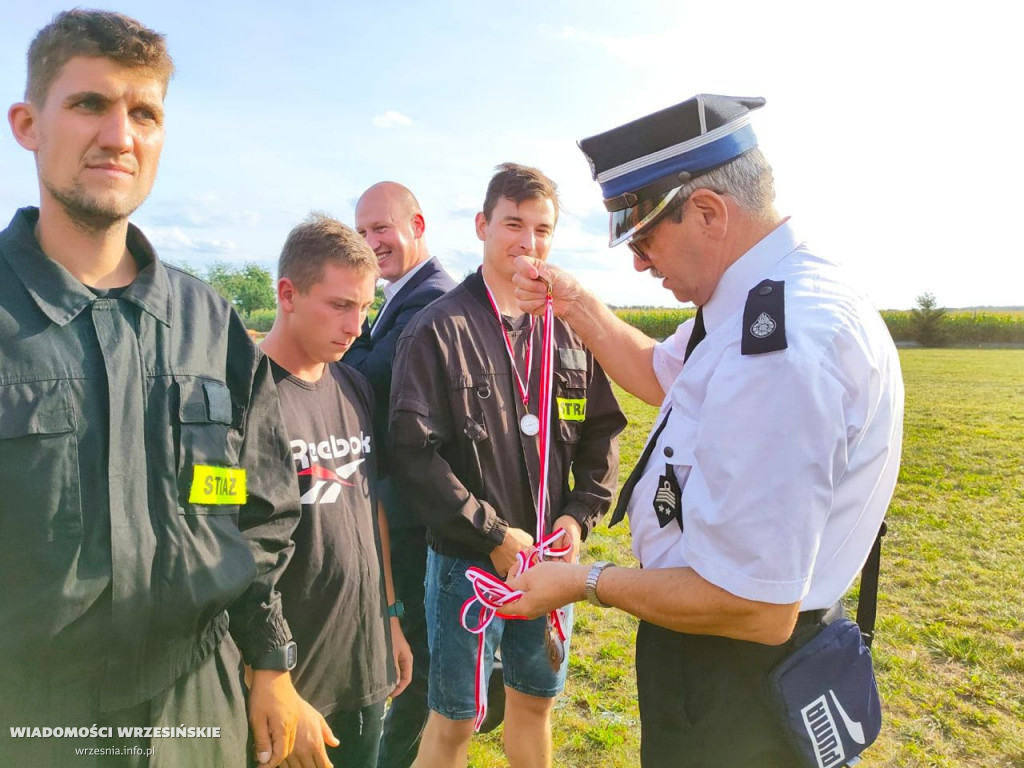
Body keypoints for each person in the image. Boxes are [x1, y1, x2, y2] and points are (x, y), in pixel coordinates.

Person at [507, 94, 905, 766]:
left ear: (710, 213)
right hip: (725, 652)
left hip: (737, 679)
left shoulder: (780, 349)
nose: (637, 262)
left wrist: (583, 581)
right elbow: (660, 373)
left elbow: (752, 606)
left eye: (643, 236)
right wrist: (573, 303)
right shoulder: (759, 299)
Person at [0, 10, 303, 767]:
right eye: (89, 104)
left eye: (144, 113)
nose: (120, 135)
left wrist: (269, 662)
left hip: (192, 711)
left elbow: (259, 507)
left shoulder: (209, 323)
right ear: (28, 123)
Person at [389, 163, 626, 768]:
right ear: (482, 226)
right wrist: (491, 535)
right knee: (455, 721)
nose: (529, 243)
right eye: (513, 224)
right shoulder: (438, 328)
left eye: (543, 229)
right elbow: (414, 452)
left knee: (534, 703)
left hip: (550, 563)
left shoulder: (568, 329)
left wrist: (578, 518)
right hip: (470, 564)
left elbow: (602, 430)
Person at [260, 214, 414, 768]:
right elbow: (232, 550)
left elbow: (369, 509)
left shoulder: (352, 386)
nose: (356, 325)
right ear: (288, 294)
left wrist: (391, 616)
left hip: (365, 664)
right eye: (341, 305)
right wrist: (269, 675)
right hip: (288, 681)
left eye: (366, 307)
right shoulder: (246, 396)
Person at [347, 182, 456, 768]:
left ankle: (399, 755)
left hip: (415, 511)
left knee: (413, 643)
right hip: (398, 501)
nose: (370, 243)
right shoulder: (399, 297)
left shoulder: (429, 300)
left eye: (381, 229)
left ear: (416, 223)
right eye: (361, 232)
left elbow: (366, 380)